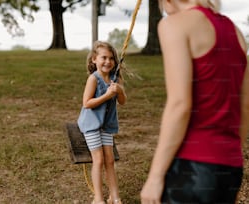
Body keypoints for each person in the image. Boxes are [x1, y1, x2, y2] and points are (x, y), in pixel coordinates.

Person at [140, 0, 249, 203]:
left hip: (191, 169)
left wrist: (155, 177)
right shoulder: (237, 33)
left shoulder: (174, 25)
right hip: (231, 168)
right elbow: (245, 106)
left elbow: (180, 104)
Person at [77, 41, 127, 204]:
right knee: (98, 160)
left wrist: (119, 90)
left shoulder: (116, 78)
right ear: (94, 60)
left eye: (111, 58)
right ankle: (98, 198)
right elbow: (87, 103)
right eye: (103, 57)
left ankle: (115, 196)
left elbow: (122, 101)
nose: (108, 61)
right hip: (91, 125)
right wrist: (106, 95)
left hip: (106, 125)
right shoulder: (94, 79)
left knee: (110, 160)